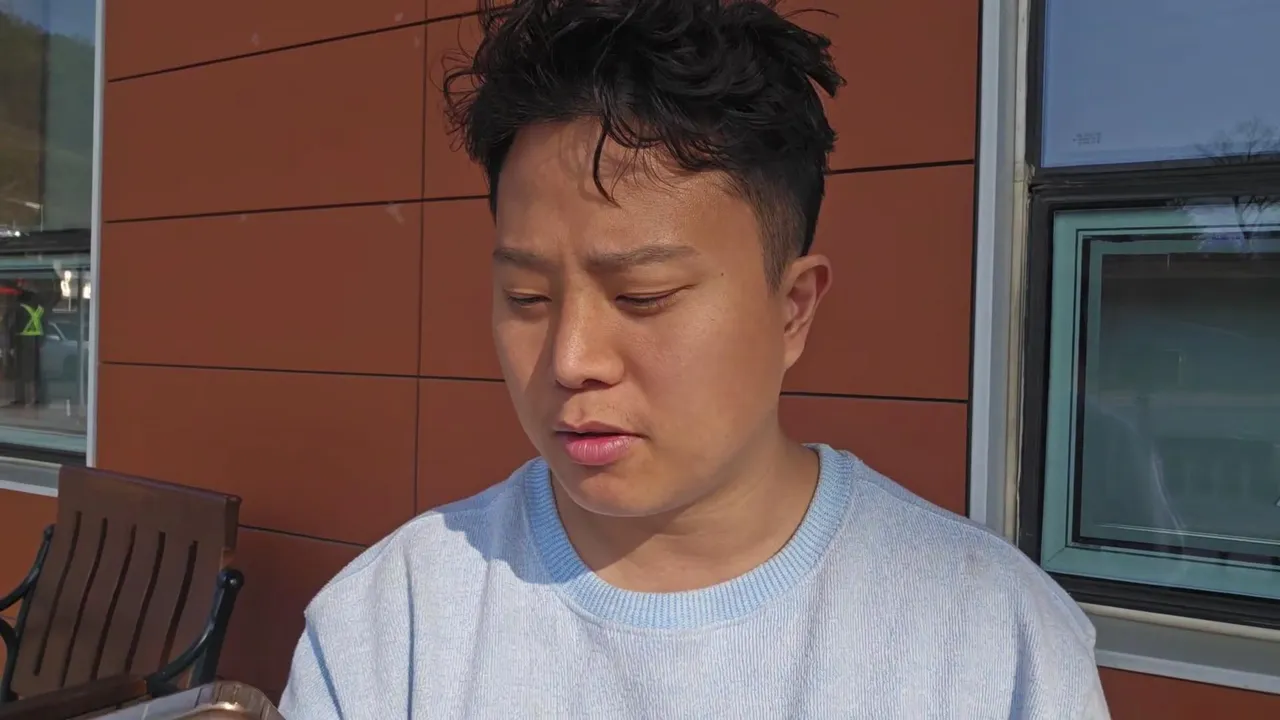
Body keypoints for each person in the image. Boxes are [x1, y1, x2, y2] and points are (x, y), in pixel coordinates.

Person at [280, 1, 1110, 717]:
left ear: (793, 308)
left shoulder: (992, 641)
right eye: (527, 298)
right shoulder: (393, 625)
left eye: (642, 297)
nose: (571, 359)